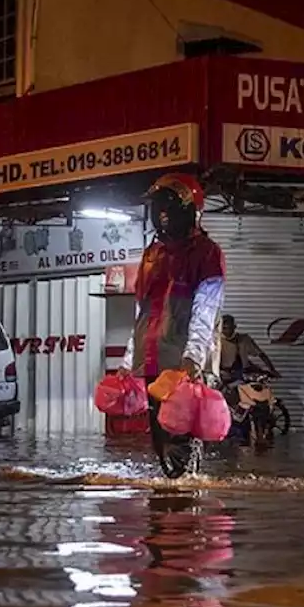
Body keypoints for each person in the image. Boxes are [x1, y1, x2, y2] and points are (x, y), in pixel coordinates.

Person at [120, 172, 226, 477]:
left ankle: (184, 512)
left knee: (181, 445)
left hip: (182, 364)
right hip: (153, 361)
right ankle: (169, 512)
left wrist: (193, 358)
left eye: (167, 207)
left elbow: (207, 309)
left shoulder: (207, 253)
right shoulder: (152, 254)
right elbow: (141, 310)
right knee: (160, 441)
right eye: (157, 207)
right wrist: (129, 359)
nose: (161, 215)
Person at [219, 314, 279, 385]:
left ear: (234, 327)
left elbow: (261, 354)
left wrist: (272, 369)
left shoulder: (244, 339)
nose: (225, 331)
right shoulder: (216, 341)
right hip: (224, 375)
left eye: (228, 328)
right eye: (223, 328)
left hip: (244, 374)